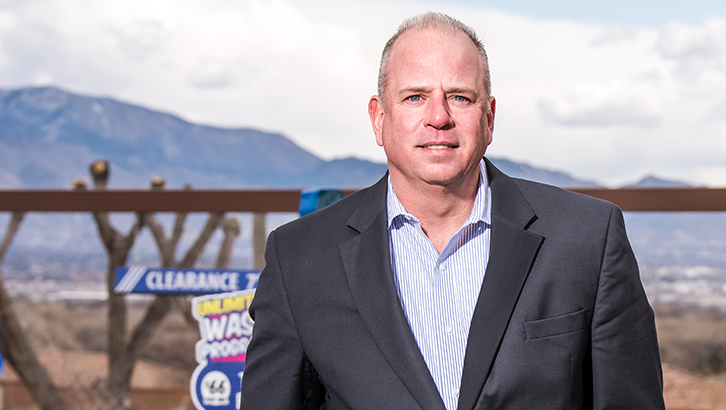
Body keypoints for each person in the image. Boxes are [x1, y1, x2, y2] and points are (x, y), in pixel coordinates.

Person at [241, 12, 664, 410]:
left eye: (459, 97)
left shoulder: (586, 239)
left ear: (489, 118)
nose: (438, 117)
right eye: (414, 97)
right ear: (379, 118)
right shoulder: (300, 258)